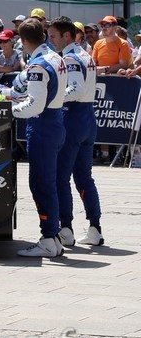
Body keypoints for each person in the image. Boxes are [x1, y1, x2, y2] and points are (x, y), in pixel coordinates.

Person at [11, 18, 68, 258]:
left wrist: (10, 108)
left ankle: (47, 239)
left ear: (23, 41)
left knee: (41, 184)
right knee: (49, 184)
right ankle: (53, 237)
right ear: (44, 35)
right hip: (56, 122)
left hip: (43, 126)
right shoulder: (56, 56)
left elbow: (34, 106)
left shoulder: (38, 65)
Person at [48, 16, 104, 248]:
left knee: (61, 176)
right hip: (88, 119)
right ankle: (95, 228)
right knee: (84, 176)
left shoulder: (70, 57)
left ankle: (66, 228)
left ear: (67, 36)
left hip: (73, 117)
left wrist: (53, 96)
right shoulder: (85, 55)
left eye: (53, 36)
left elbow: (75, 89)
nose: (51, 40)